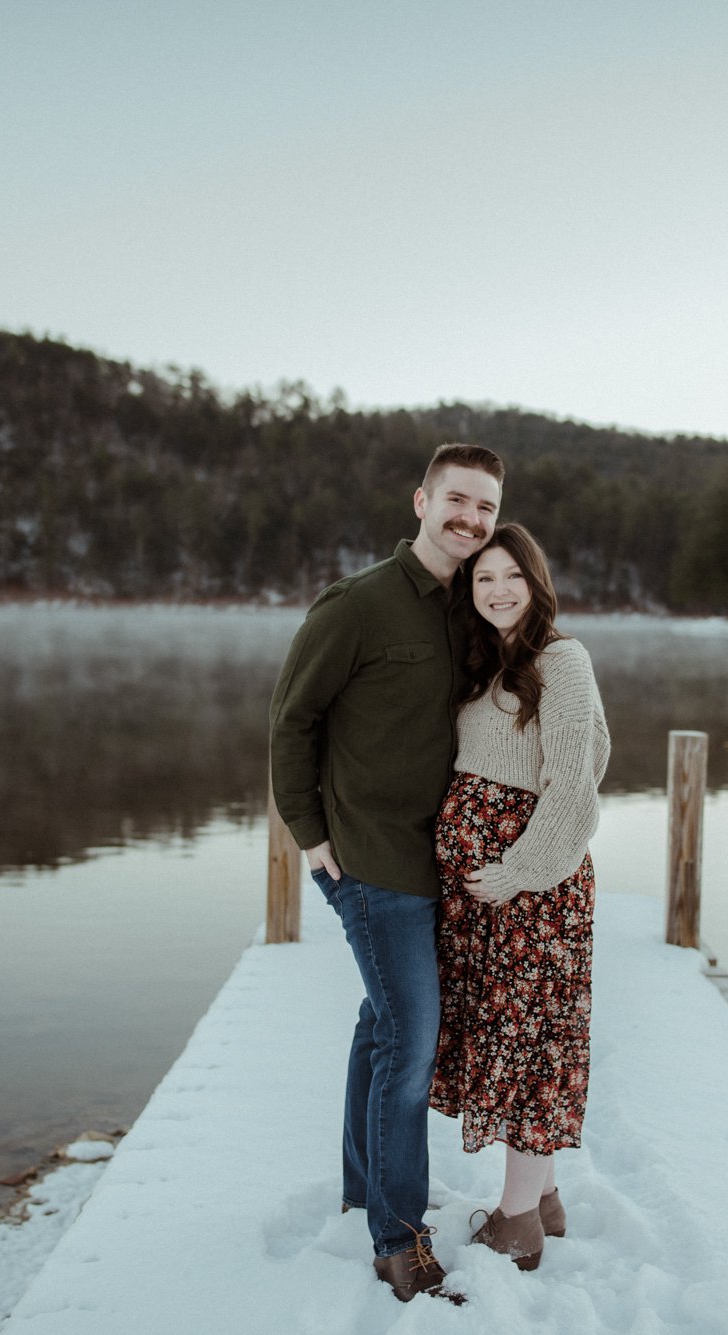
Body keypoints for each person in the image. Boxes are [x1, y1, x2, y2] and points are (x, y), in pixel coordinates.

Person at [267, 442, 506, 1304]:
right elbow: (293, 721)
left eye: (485, 507)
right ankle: (398, 1239)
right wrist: (309, 832)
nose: (471, 520)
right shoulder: (356, 604)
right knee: (412, 1042)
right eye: (457, 501)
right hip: (368, 858)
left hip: (435, 860)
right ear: (420, 501)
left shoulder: (471, 609)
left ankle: (366, 1187)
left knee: (382, 1024)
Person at [429, 522, 609, 1273]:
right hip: (486, 903)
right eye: (483, 578)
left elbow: (575, 785)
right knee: (511, 1040)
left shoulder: (562, 661)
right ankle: (545, 1199)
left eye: (512, 576)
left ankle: (514, 1224)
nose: (498, 589)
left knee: (531, 1049)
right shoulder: (487, 665)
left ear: (536, 583)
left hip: (533, 898)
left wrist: (520, 869)